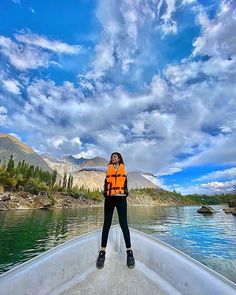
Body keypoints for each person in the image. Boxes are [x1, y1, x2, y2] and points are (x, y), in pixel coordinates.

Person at [96, 152, 135, 269]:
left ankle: (129, 252)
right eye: (112, 157)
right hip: (109, 200)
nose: (113, 158)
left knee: (124, 225)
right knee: (106, 225)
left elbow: (139, 169)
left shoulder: (125, 168)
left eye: (115, 156)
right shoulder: (107, 168)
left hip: (121, 200)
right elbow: (94, 167)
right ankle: (102, 252)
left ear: (119, 158)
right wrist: (82, 169)